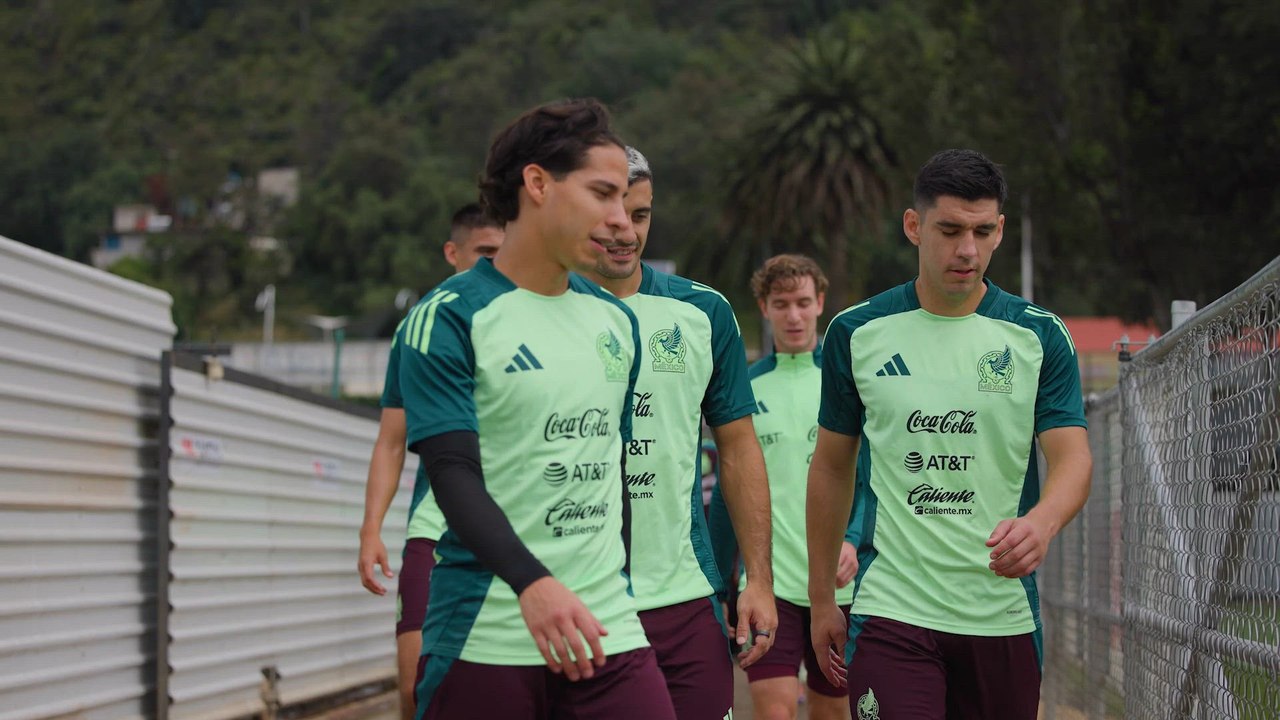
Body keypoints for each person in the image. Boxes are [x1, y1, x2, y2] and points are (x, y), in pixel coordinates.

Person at [399, 98, 675, 720]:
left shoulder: (616, 322)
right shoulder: (450, 318)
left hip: (607, 629)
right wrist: (533, 583)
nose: (622, 221)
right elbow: (451, 474)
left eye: (626, 201)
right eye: (602, 194)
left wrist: (615, 586)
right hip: (487, 632)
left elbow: (613, 469)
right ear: (538, 184)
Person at [806, 149, 1092, 719]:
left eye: (982, 232)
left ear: (1000, 231)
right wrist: (821, 600)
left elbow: (1074, 459)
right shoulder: (857, 332)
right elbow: (832, 467)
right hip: (892, 608)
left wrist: (1042, 523)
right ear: (914, 226)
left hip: (1000, 613)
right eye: (951, 230)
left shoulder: (1037, 336)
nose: (968, 249)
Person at [577, 146, 776, 719]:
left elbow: (738, 448)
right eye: (612, 216)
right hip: (582, 601)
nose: (626, 232)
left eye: (640, 215)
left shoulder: (702, 312)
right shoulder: (541, 309)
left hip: (685, 600)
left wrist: (758, 581)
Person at [357, 203, 505, 720]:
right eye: (483, 252)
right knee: (413, 687)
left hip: (523, 527)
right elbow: (391, 441)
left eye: (502, 251)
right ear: (452, 253)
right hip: (436, 529)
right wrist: (371, 529)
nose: (493, 263)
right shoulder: (422, 327)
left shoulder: (534, 318)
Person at [710, 254, 857, 720]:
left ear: (820, 303)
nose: (793, 316)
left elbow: (871, 477)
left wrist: (855, 538)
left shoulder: (846, 383)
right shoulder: (744, 386)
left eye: (803, 303)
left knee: (831, 713)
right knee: (775, 713)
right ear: (764, 307)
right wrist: (719, 584)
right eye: (781, 304)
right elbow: (729, 490)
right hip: (767, 585)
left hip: (838, 584)